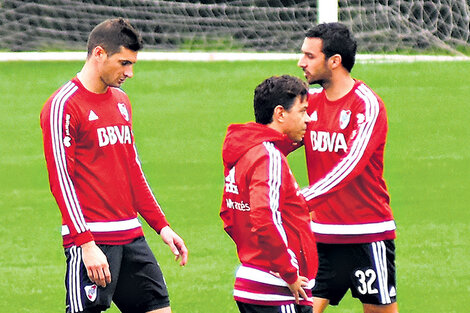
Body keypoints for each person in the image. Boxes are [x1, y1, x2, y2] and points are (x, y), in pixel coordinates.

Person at [40, 18, 188, 313]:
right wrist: (85, 244)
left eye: (132, 64)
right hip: (93, 240)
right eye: (123, 63)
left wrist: (162, 226)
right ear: (98, 54)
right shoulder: (63, 106)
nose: (130, 73)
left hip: (131, 236)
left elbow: (132, 169)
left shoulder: (121, 101)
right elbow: (61, 180)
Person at [297, 22, 398, 313]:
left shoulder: (366, 105)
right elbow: (277, 144)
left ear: (335, 61)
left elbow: (351, 165)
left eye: (309, 56)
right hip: (320, 238)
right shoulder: (310, 105)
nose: (300, 62)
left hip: (366, 234)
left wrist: (300, 200)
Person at [220, 75, 318, 313]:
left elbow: (228, 215)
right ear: (280, 114)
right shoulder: (268, 157)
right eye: (303, 111)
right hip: (277, 291)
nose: (308, 119)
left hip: (254, 283)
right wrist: (288, 271)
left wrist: (252, 252)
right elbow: (264, 216)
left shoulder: (244, 152)